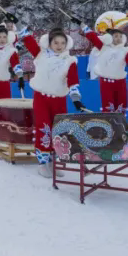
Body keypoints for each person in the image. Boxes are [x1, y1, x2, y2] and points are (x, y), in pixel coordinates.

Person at [21, 27, 87, 177]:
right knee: (43, 127)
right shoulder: (41, 55)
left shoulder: (70, 60)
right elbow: (29, 40)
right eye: (56, 42)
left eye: (62, 43)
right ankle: (43, 163)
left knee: (58, 129)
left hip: (59, 100)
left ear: (66, 44)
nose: (59, 45)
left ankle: (54, 161)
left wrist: (76, 98)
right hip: (41, 98)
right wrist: (19, 27)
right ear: (49, 43)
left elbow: (73, 79)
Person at [72, 16, 128, 113]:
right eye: (116, 36)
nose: (118, 38)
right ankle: (108, 125)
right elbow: (92, 37)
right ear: (110, 38)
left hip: (121, 82)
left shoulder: (125, 51)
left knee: (121, 106)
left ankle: (121, 126)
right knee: (108, 107)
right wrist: (82, 25)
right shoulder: (103, 47)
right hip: (106, 82)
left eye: (120, 36)